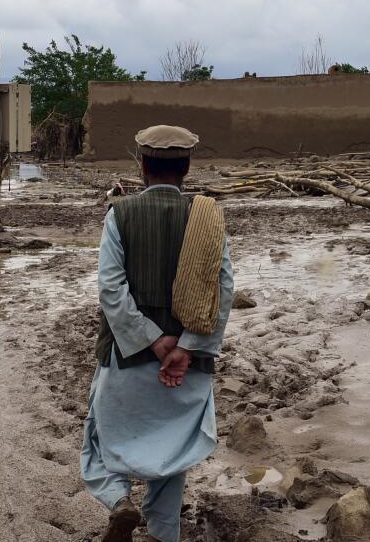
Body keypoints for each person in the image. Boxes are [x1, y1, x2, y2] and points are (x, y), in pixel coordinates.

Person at [81, 125, 234, 542]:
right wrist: (185, 348)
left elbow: (111, 290)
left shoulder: (120, 214)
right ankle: (164, 535)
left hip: (126, 359)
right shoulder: (206, 216)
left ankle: (119, 501)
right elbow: (223, 289)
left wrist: (151, 339)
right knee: (171, 458)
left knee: (97, 441)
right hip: (187, 369)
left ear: (143, 165)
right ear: (186, 168)